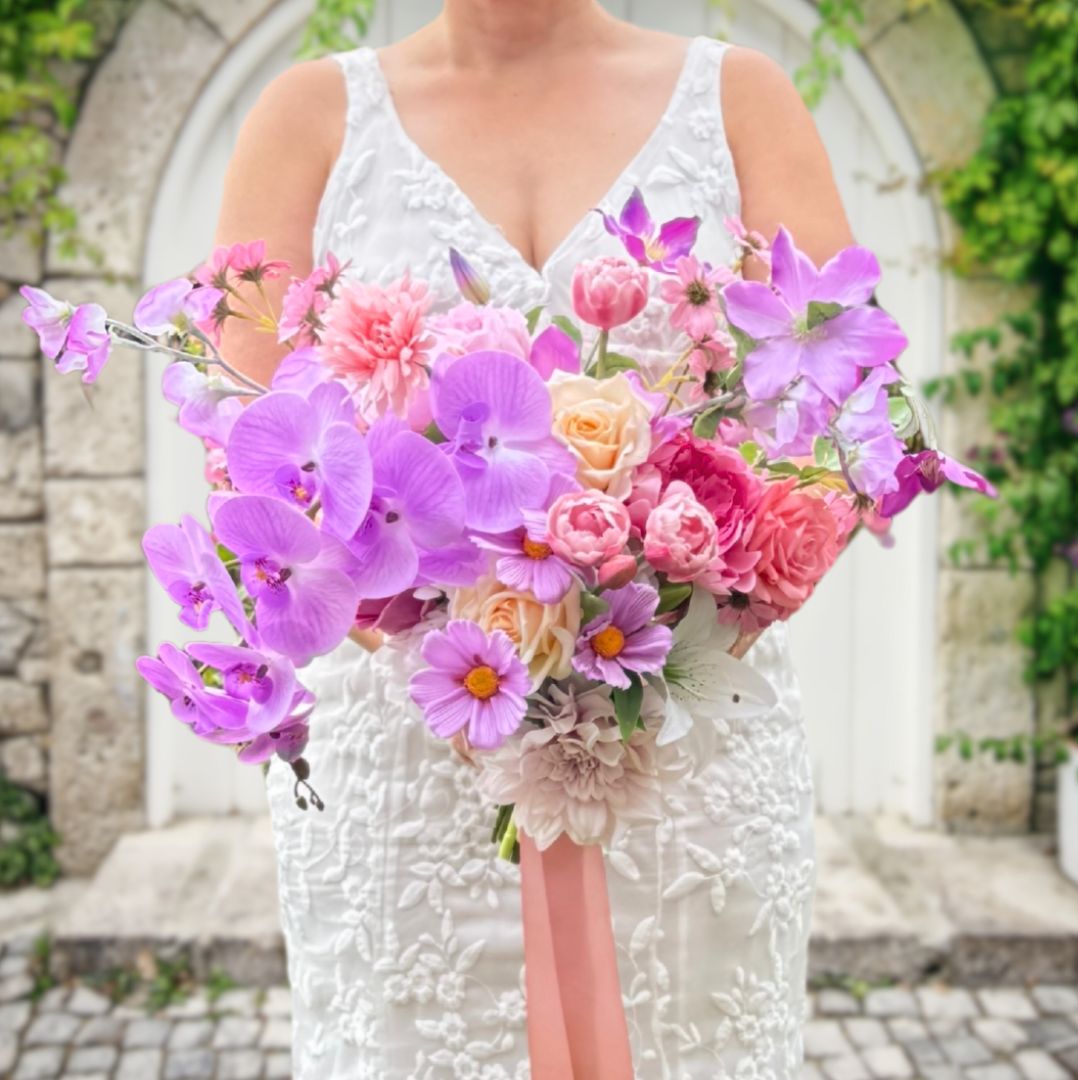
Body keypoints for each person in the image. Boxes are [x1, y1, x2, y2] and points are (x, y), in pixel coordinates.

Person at [212, 2, 854, 1075]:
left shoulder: (739, 100)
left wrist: (638, 646)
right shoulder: (310, 118)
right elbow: (247, 449)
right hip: (416, 753)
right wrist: (451, 647)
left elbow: (838, 424)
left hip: (679, 744)